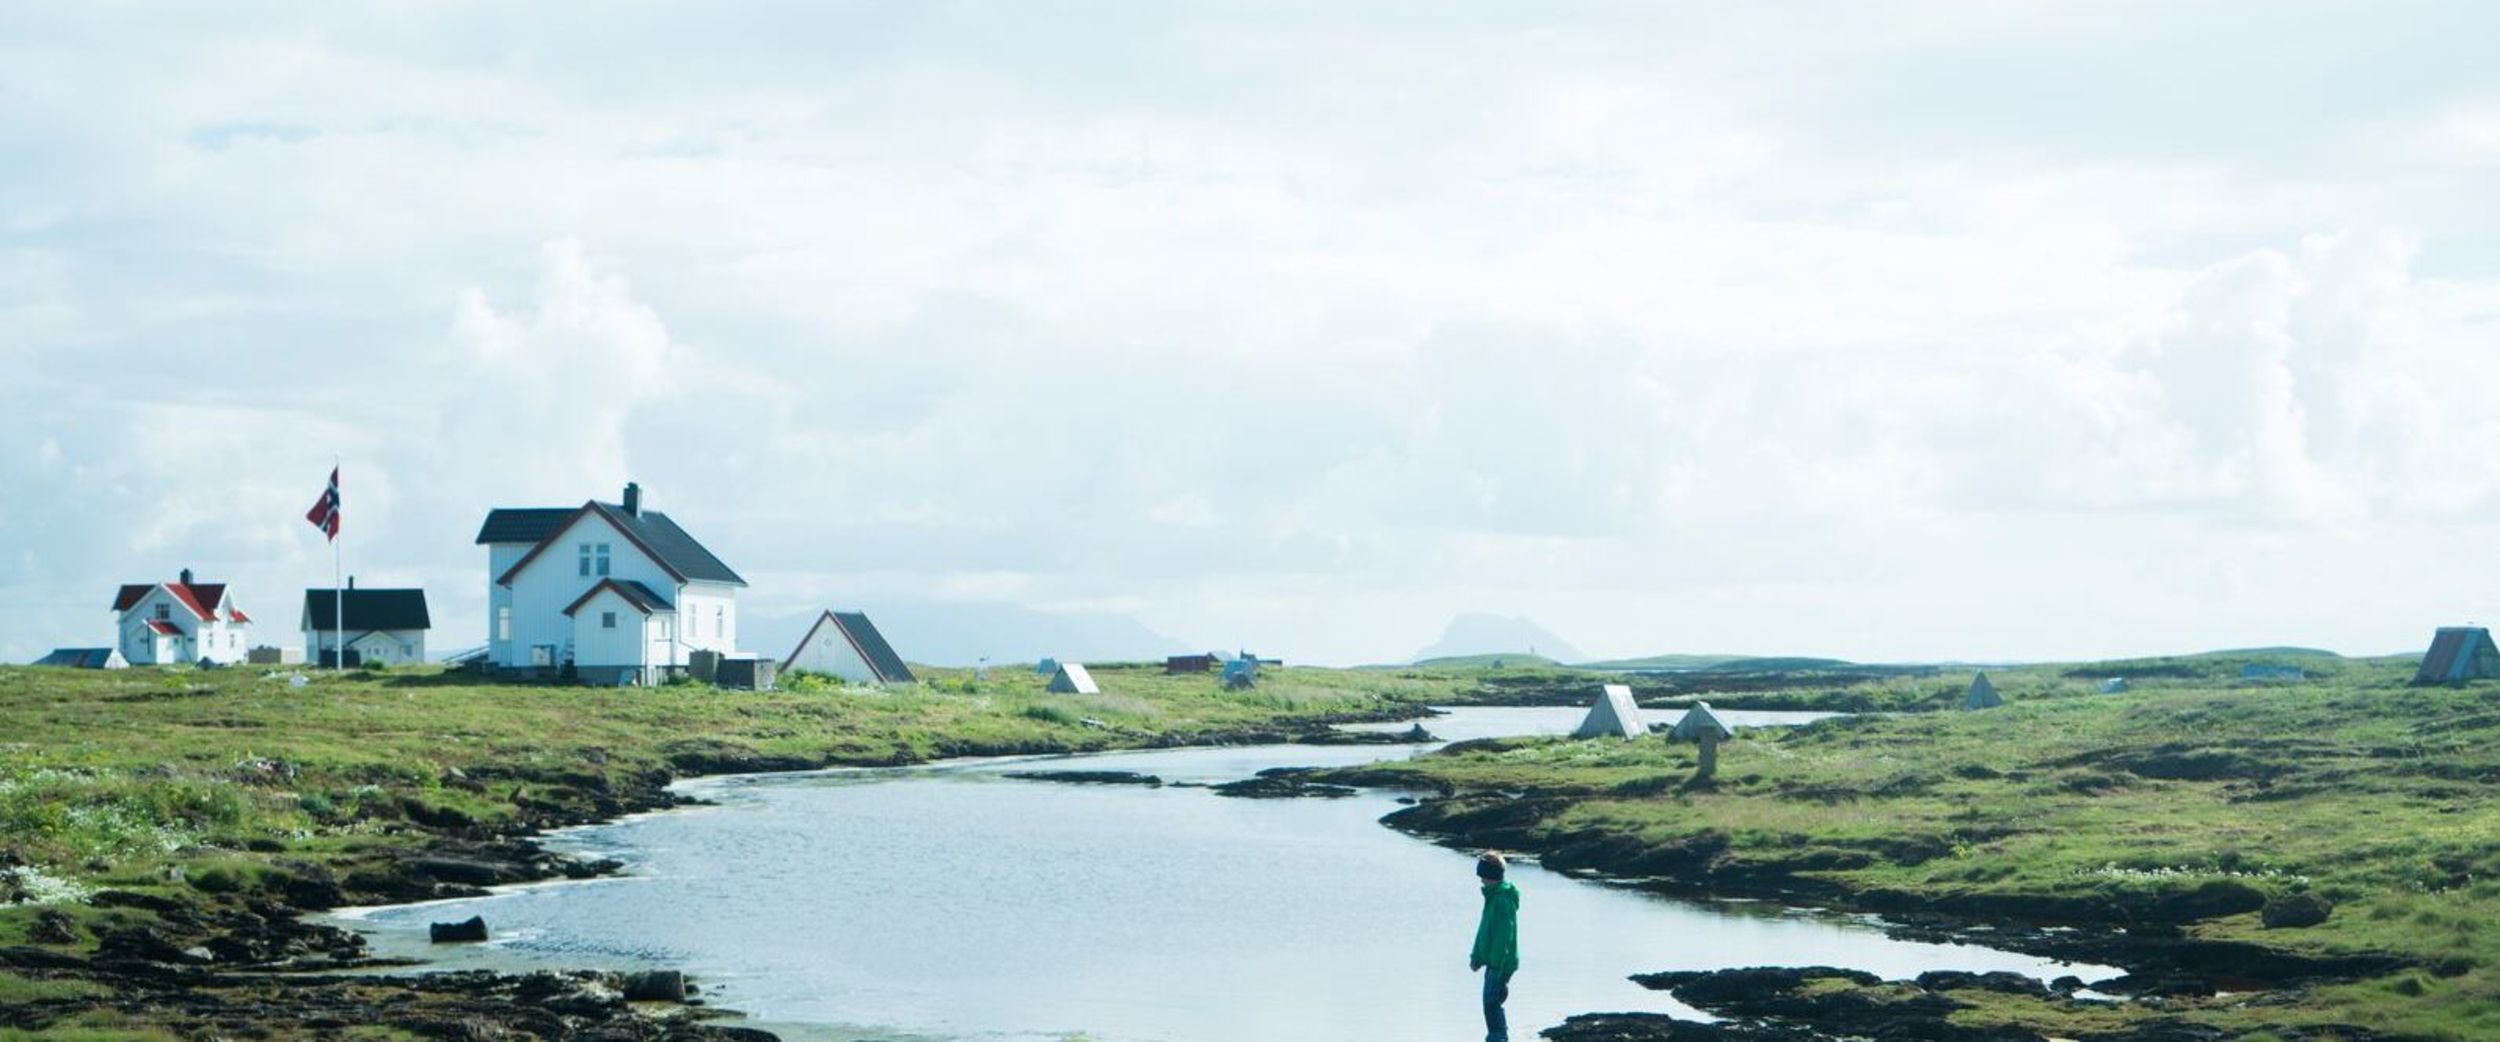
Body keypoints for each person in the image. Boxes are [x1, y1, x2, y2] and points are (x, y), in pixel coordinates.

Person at [1468, 850, 1520, 1042]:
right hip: (1494, 962)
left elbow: (1504, 937)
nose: (1481, 880)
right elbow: (1485, 931)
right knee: (1491, 1001)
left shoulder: (1503, 899)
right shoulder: (1493, 896)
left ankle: (1498, 1038)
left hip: (1501, 963)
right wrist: (1477, 957)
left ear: (1492, 875)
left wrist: (1497, 964)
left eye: (1483, 876)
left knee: (1491, 1002)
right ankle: (1497, 1037)